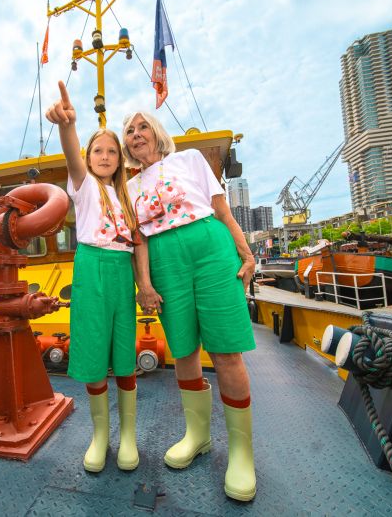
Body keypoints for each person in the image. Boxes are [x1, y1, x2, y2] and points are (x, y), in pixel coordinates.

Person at [122, 111, 258, 502]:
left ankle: (241, 453)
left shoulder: (190, 159)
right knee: (183, 350)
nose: (135, 134)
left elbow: (222, 210)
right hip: (164, 260)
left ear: (157, 132)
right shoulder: (128, 189)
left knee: (226, 350)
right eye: (129, 131)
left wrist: (246, 253)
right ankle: (197, 436)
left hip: (210, 249)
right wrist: (144, 285)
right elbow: (139, 242)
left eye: (142, 126)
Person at [45, 81, 143, 473]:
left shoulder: (130, 195)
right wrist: (68, 126)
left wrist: (145, 284)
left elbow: (140, 243)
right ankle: (100, 435)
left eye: (111, 151)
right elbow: (71, 156)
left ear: (121, 159)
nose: (104, 156)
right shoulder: (84, 187)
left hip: (123, 272)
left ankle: (129, 437)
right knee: (91, 351)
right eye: (97, 151)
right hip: (91, 267)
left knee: (123, 354)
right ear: (88, 157)